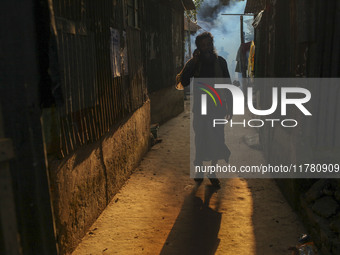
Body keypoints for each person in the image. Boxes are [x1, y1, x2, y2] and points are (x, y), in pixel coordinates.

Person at [176, 32, 233, 189]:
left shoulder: (221, 62)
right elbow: (184, 81)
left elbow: (227, 85)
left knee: (217, 139)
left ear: (212, 44)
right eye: (203, 45)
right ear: (199, 48)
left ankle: (212, 172)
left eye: (209, 44)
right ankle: (199, 169)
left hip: (218, 108)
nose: (207, 48)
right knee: (200, 139)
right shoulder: (196, 64)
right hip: (201, 108)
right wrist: (193, 62)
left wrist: (231, 106)